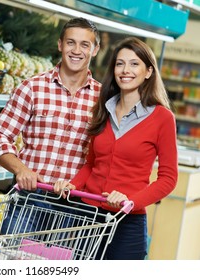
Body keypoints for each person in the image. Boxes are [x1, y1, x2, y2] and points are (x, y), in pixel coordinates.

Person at [54, 37, 178, 260]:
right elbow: (91, 164)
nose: (125, 70)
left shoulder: (162, 118)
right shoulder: (102, 109)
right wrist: (72, 185)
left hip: (127, 223)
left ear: (148, 71)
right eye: (120, 63)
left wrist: (130, 201)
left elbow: (168, 179)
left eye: (134, 64)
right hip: (87, 217)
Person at [0, 17, 101, 235]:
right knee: (14, 262)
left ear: (95, 50)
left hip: (75, 207)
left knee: (60, 268)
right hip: (30, 199)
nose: (76, 50)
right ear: (60, 45)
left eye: (85, 44)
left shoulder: (103, 100)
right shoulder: (32, 88)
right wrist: (21, 169)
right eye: (70, 42)